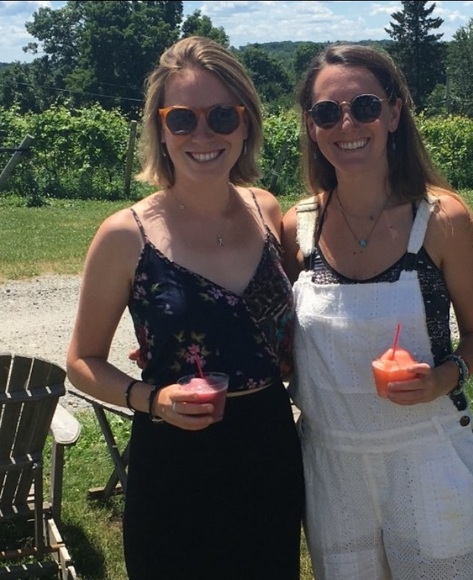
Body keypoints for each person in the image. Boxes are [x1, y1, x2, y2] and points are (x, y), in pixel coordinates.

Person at [66, 36, 304, 580]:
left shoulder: (267, 211)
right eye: (182, 119)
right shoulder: (125, 235)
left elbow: (283, 324)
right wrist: (152, 399)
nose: (203, 135)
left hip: (268, 447)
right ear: (160, 129)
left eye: (221, 116)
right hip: (174, 458)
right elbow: (81, 361)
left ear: (245, 123)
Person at [282, 43, 473, 579]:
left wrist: (443, 377)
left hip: (428, 455)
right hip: (333, 468)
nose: (347, 124)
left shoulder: (441, 220)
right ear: (310, 125)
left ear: (394, 113)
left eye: (366, 107)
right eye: (327, 112)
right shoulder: (297, 228)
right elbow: (283, 341)